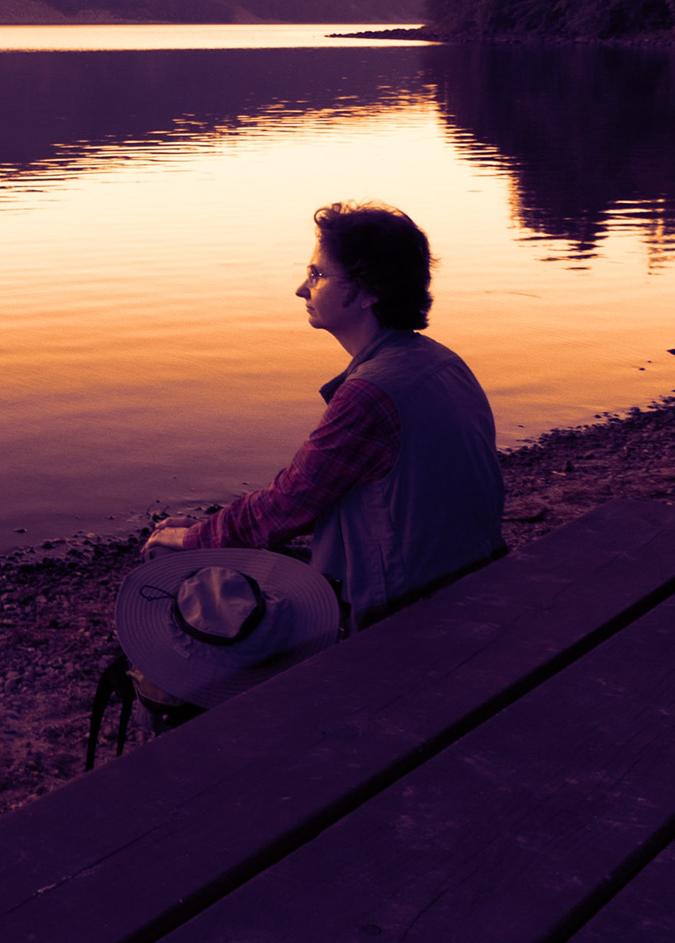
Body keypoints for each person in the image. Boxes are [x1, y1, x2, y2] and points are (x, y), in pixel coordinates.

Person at [142, 202, 504, 634]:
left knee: (176, 574)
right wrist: (209, 528)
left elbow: (290, 502)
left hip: (407, 606)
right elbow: (322, 494)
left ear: (368, 291)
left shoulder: (370, 394)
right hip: (473, 573)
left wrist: (191, 540)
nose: (301, 288)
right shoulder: (442, 362)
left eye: (317, 275)